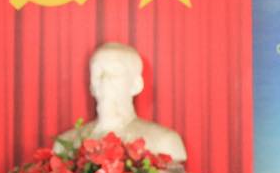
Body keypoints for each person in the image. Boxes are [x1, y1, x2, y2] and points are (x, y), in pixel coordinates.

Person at [55, 42, 188, 165]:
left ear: (136, 85)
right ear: (91, 85)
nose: (104, 80)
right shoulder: (66, 143)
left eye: (115, 73)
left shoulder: (164, 142)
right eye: (97, 73)